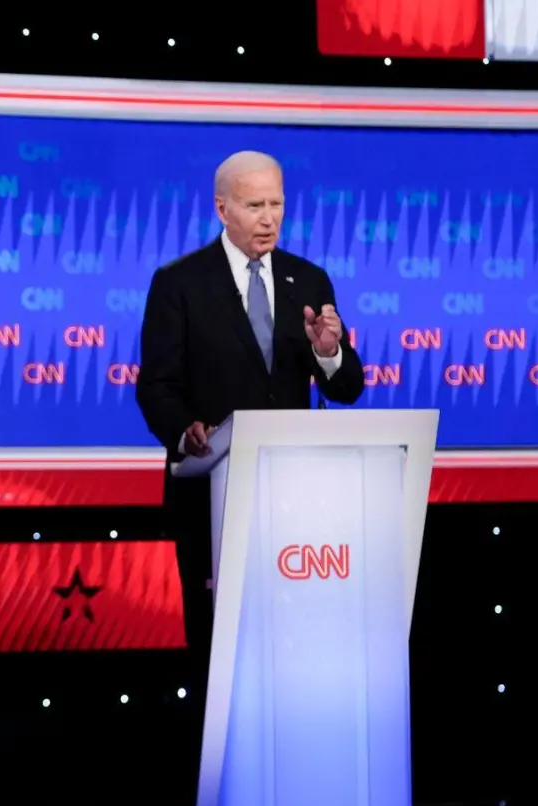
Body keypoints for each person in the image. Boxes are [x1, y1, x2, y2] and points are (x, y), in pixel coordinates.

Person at [135, 149, 365, 718]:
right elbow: (156, 386)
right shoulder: (179, 284)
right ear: (223, 209)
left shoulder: (305, 281)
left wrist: (329, 352)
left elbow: (347, 388)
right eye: (255, 205)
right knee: (219, 656)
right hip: (211, 500)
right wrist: (183, 433)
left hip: (295, 507)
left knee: (290, 650)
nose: (269, 218)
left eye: (277, 204)